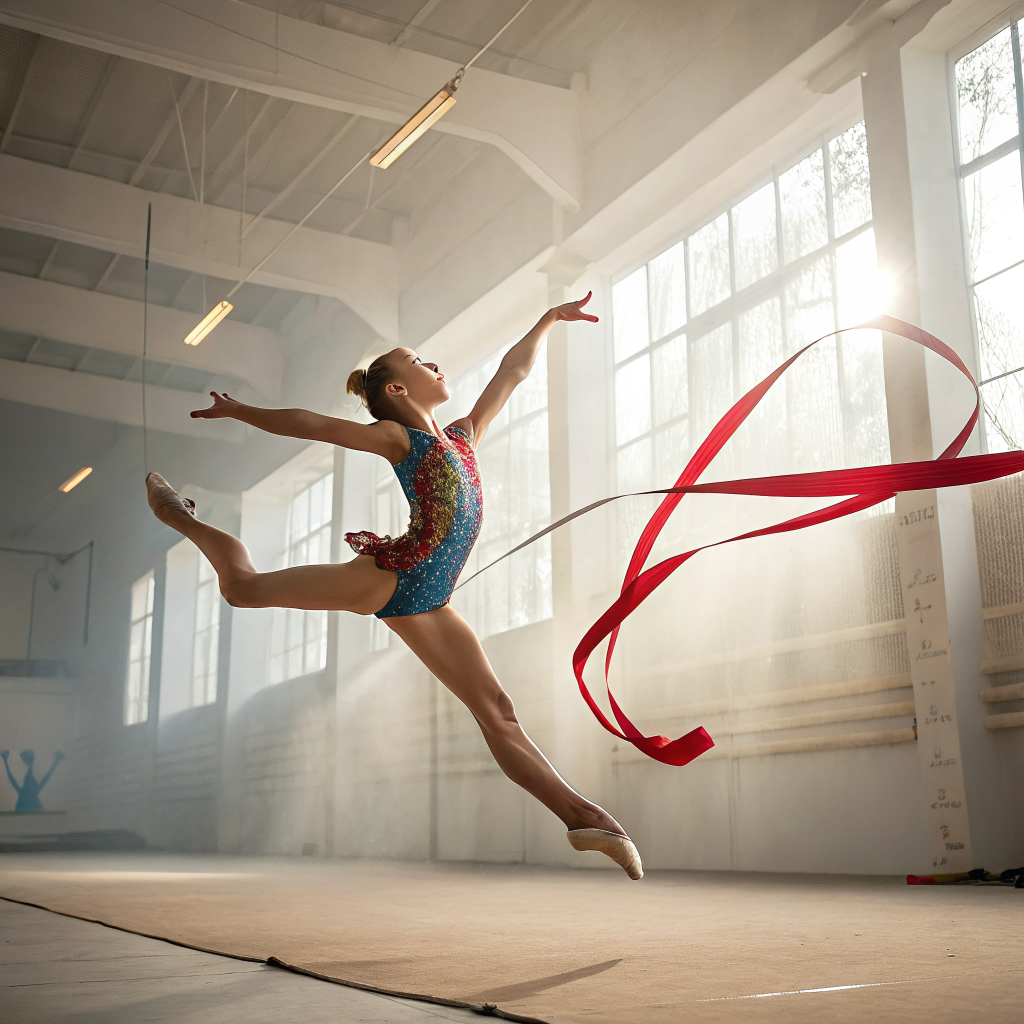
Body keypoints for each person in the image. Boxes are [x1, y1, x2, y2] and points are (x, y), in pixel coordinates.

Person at [145, 293, 642, 879]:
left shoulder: (463, 436)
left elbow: (514, 370)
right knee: (242, 588)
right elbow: (314, 424)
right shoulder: (397, 438)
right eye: (419, 360)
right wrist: (243, 412)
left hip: (431, 600)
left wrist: (549, 319)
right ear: (399, 391)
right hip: (393, 577)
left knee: (500, 713)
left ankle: (585, 820)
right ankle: (181, 517)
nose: (435, 364)